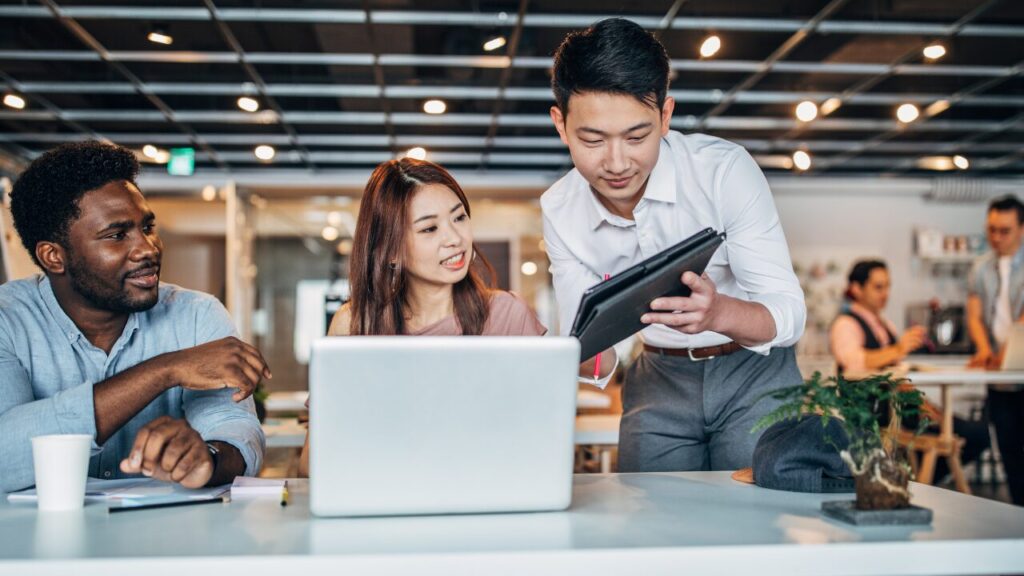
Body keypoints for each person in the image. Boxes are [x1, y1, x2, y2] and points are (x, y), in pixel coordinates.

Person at [541, 18, 805, 473]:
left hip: (755, 375)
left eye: (637, 136)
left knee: (758, 521)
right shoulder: (560, 210)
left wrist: (718, 312)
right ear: (560, 124)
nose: (617, 162)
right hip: (657, 378)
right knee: (650, 523)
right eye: (592, 139)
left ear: (665, 116)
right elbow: (592, 352)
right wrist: (559, 354)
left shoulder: (723, 172)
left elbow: (789, 314)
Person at [0, 141, 269, 493]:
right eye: (116, 235)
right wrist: (164, 370)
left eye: (147, 227)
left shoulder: (197, 315)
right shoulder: (8, 319)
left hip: (162, 541)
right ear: (53, 256)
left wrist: (208, 458)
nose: (147, 248)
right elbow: (6, 454)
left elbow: (235, 428)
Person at [298, 158, 555, 477]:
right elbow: (312, 465)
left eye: (459, 218)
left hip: (489, 496)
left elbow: (546, 440)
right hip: (385, 500)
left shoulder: (508, 315)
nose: (455, 238)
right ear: (391, 250)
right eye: (430, 228)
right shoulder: (354, 325)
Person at [831, 259, 989, 482]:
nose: (885, 293)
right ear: (857, 288)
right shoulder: (845, 324)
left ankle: (915, 478)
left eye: (888, 286)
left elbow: (895, 373)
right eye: (878, 287)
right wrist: (898, 349)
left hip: (898, 407)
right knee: (974, 434)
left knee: (972, 432)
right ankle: (916, 479)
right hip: (873, 411)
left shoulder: (885, 325)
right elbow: (854, 363)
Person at [966, 195, 1024, 505]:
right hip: (999, 376)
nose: (997, 237)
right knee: (1008, 447)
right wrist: (986, 349)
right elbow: (975, 314)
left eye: (1005, 230)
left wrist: (1008, 352)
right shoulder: (981, 267)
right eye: (992, 230)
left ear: (1022, 229)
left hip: (1020, 365)